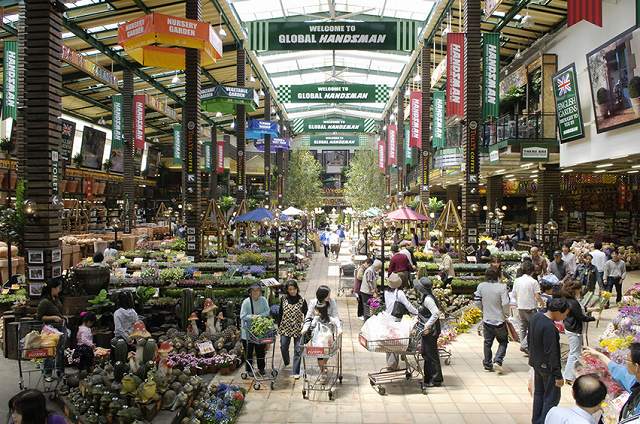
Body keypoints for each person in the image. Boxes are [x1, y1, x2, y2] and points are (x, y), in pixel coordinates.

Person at [529, 297, 570, 424]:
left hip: (536, 363)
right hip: (548, 368)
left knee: (539, 394)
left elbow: (529, 339)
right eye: (564, 314)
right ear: (558, 312)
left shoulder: (536, 316)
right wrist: (558, 375)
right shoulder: (550, 328)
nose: (564, 317)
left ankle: (536, 420)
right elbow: (553, 353)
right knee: (551, 399)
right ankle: (544, 421)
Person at [584, 344, 640, 421]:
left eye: (627, 360)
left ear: (636, 367)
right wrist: (599, 355)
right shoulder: (636, 381)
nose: (625, 363)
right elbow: (620, 372)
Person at [474, 267, 510, 373]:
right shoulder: (502, 287)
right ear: (498, 276)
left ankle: (487, 364)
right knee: (503, 341)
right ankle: (498, 361)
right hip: (499, 320)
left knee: (487, 342)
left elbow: (477, 301)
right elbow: (505, 303)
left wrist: (483, 310)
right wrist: (506, 314)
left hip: (487, 319)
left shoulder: (481, 286)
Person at [559, 280, 595, 385]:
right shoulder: (572, 302)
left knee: (575, 352)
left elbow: (579, 311)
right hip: (574, 329)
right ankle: (569, 376)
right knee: (574, 353)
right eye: (579, 289)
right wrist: (593, 318)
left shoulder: (567, 299)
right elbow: (581, 317)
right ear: (574, 290)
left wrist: (590, 309)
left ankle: (570, 374)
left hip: (569, 327)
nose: (581, 290)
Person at [383, 273, 418, 370]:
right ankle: (393, 364)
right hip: (396, 319)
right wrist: (417, 312)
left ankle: (390, 363)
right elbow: (408, 305)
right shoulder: (399, 293)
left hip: (387, 318)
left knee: (389, 341)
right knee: (395, 342)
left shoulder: (386, 292)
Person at [301, 301, 342, 384]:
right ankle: (323, 372)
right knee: (323, 355)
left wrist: (339, 329)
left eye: (315, 310)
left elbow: (312, 327)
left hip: (321, 342)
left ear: (319, 312)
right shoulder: (325, 318)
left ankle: (323, 370)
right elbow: (337, 322)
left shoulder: (320, 319)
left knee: (322, 355)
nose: (314, 312)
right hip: (324, 342)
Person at [414, 277, 444, 389]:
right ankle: (429, 378)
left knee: (431, 354)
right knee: (427, 353)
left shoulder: (428, 300)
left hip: (431, 330)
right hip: (428, 330)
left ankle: (435, 379)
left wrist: (427, 325)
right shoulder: (426, 297)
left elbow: (436, 313)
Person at [277, 280, 307, 380]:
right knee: (283, 346)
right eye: (290, 289)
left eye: (294, 289)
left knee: (298, 350)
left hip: (298, 328)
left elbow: (306, 314)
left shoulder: (302, 301)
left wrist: (306, 327)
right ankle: (286, 360)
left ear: (297, 289)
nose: (293, 291)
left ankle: (296, 371)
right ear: (287, 290)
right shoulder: (283, 299)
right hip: (285, 327)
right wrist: (278, 325)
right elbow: (280, 312)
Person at [512, 261, 543, 356]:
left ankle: (524, 345)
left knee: (523, 327)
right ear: (532, 271)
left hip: (520, 306)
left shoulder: (517, 280)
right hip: (530, 307)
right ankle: (525, 345)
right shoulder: (533, 282)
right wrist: (542, 303)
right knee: (533, 327)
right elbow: (537, 296)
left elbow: (514, 294)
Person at [37, 279, 66, 380]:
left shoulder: (56, 298)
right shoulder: (44, 302)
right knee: (49, 351)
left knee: (60, 350)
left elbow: (58, 311)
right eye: (58, 288)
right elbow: (39, 317)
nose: (59, 290)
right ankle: (47, 373)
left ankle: (60, 371)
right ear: (52, 288)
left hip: (60, 328)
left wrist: (62, 317)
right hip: (50, 330)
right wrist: (52, 317)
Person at [240, 283, 270, 376]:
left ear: (260, 292)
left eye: (258, 290)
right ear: (250, 292)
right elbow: (243, 316)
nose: (256, 292)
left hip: (259, 331)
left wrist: (260, 316)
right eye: (253, 290)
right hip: (247, 332)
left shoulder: (263, 300)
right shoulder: (246, 302)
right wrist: (253, 317)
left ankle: (261, 368)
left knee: (260, 350)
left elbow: (267, 311)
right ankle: (249, 370)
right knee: (249, 351)